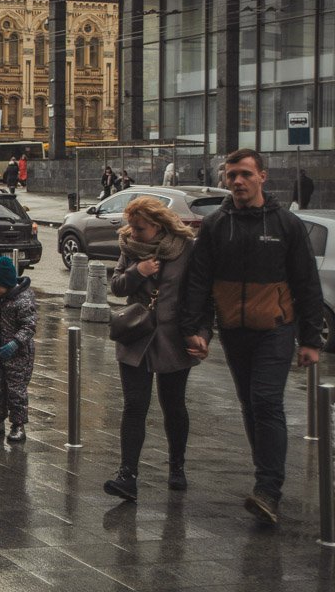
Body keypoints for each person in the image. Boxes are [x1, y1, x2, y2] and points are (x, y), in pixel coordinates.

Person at [181, 148, 323, 524]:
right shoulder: (216, 225)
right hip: (233, 329)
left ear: (262, 177)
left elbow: (307, 283)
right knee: (248, 404)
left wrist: (311, 340)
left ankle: (268, 489)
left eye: (244, 174)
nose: (237, 182)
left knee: (266, 401)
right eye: (231, 176)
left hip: (276, 328)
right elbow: (198, 282)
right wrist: (198, 330)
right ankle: (266, 481)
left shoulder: (285, 225)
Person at [103, 196, 201, 502]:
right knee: (135, 405)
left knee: (174, 405)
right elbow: (117, 286)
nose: (133, 233)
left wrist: (202, 333)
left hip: (173, 338)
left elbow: (199, 296)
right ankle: (127, 475)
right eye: (131, 226)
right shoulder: (129, 248)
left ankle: (177, 467)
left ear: (158, 226)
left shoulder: (185, 249)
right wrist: (139, 271)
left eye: (140, 228)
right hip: (136, 336)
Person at [0, 256, 37, 444]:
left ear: (6, 282)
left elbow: (29, 327)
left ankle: (18, 425)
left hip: (19, 354)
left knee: (16, 390)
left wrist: (15, 343)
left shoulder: (23, 300)